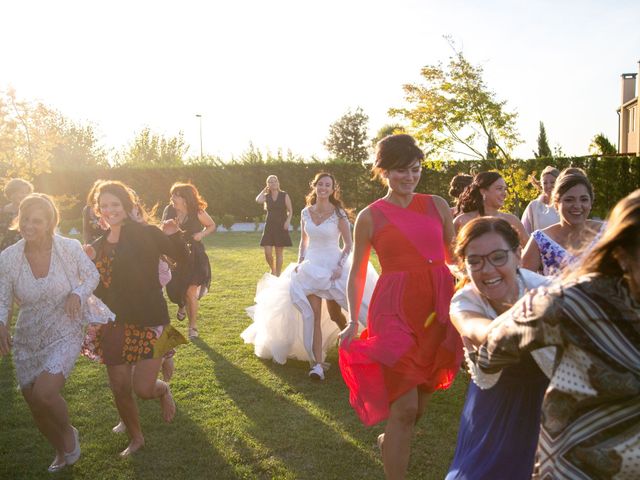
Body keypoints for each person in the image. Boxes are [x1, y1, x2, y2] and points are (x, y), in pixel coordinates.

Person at [471, 188, 640, 479]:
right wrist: (476, 340)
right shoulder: (576, 300)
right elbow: (502, 339)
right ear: (623, 255)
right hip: (576, 466)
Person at [338, 134, 463, 480]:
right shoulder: (369, 217)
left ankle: (388, 438)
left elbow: (453, 258)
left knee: (418, 404)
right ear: (384, 172)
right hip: (393, 311)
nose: (409, 177)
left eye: (415, 169)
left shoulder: (437, 204)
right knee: (405, 407)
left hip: (436, 309)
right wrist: (351, 321)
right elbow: (357, 274)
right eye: (400, 171)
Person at [83, 180, 188, 457]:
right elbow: (100, 289)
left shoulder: (146, 233)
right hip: (114, 322)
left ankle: (163, 390)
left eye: (115, 204)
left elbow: (181, 256)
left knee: (143, 388)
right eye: (104, 206)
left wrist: (175, 235)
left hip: (150, 318)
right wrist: (86, 265)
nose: (109, 210)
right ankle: (136, 437)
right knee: (119, 387)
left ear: (127, 206)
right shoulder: (97, 245)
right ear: (98, 210)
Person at [242, 172, 378, 380]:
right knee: (312, 316)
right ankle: (317, 365)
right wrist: (299, 264)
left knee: (339, 313)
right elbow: (304, 244)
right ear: (315, 187)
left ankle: (370, 345)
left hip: (334, 268)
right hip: (311, 268)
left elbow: (349, 245)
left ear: (333, 190)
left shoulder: (339, 214)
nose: (323, 188)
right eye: (320, 184)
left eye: (328, 185)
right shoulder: (306, 212)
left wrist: (340, 267)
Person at [446, 217, 552, 480]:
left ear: (517, 255)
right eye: (475, 261)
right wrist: (527, 312)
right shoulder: (464, 300)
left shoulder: (546, 290)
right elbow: (481, 331)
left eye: (497, 257)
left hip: (552, 402)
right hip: (492, 404)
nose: (488, 270)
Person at [0, 194, 99, 472]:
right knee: (34, 403)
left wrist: (78, 294)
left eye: (37, 221)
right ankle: (58, 449)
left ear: (50, 223)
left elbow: (91, 275)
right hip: (29, 336)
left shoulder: (68, 248)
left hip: (65, 327)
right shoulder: (8, 258)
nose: (29, 226)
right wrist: (1, 323)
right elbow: (3, 298)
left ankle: (68, 432)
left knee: (45, 394)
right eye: (25, 220)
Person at [521, 171, 602, 276]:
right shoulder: (540, 240)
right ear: (556, 204)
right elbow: (519, 284)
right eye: (569, 200)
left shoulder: (606, 232)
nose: (577, 205)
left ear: (591, 203)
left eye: (584, 199)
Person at [162, 182, 215, 339]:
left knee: (191, 290)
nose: (172, 198)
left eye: (175, 195)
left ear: (185, 198)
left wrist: (201, 235)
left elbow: (211, 225)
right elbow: (162, 230)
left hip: (195, 256)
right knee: (176, 290)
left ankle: (193, 327)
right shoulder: (169, 210)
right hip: (176, 255)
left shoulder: (197, 211)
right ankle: (181, 305)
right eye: (172, 195)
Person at [453, 171, 529, 247]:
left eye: (504, 189)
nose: (504, 194)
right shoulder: (461, 221)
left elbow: (529, 252)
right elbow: (452, 254)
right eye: (499, 189)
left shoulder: (512, 221)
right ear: (483, 191)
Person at [255, 175, 293, 276]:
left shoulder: (284, 195)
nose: (273, 183)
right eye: (270, 182)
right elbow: (258, 200)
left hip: (281, 225)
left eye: (275, 181)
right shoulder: (266, 196)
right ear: (268, 184)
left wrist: (288, 221)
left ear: (278, 183)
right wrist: (264, 190)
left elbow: (290, 210)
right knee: (267, 253)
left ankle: (278, 274)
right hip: (269, 227)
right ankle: (273, 269)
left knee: (278, 253)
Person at [520, 166, 560, 234]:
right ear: (541, 184)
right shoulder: (533, 206)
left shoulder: (564, 205)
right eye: (545, 183)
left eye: (552, 182)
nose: (548, 185)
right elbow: (524, 231)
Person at [0, 178, 34, 251]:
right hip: (7, 247)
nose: (24, 195)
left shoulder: (31, 211)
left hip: (27, 247)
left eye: (26, 192)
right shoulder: (2, 211)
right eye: (21, 192)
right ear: (11, 193)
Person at [82, 180, 108, 244]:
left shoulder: (108, 209)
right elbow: (86, 230)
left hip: (106, 242)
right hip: (92, 243)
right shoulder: (87, 209)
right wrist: (88, 244)